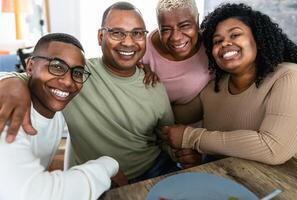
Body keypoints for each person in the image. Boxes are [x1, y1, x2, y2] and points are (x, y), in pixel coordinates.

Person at [0, 2, 200, 184]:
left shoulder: (154, 85)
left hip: (152, 170)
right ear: (100, 36)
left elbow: (166, 137)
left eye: (137, 33)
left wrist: (181, 154)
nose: (128, 42)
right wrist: (11, 82)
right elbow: (38, 78)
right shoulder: (76, 76)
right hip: (94, 178)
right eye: (117, 33)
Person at [163, 3, 297, 171]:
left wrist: (190, 138)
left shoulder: (292, 77)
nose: (225, 44)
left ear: (258, 40)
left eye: (235, 35)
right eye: (217, 41)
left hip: (295, 183)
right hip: (233, 177)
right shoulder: (214, 87)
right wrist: (139, 74)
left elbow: (272, 149)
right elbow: (170, 115)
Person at [0, 33, 119, 200]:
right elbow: (34, 194)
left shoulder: (59, 117)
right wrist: (108, 164)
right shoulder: (8, 110)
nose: (68, 82)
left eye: (77, 73)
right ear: (30, 66)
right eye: (57, 66)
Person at [142, 0, 212, 106]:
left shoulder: (212, 45)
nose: (176, 38)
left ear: (197, 20)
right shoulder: (142, 50)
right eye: (166, 29)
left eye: (184, 26)